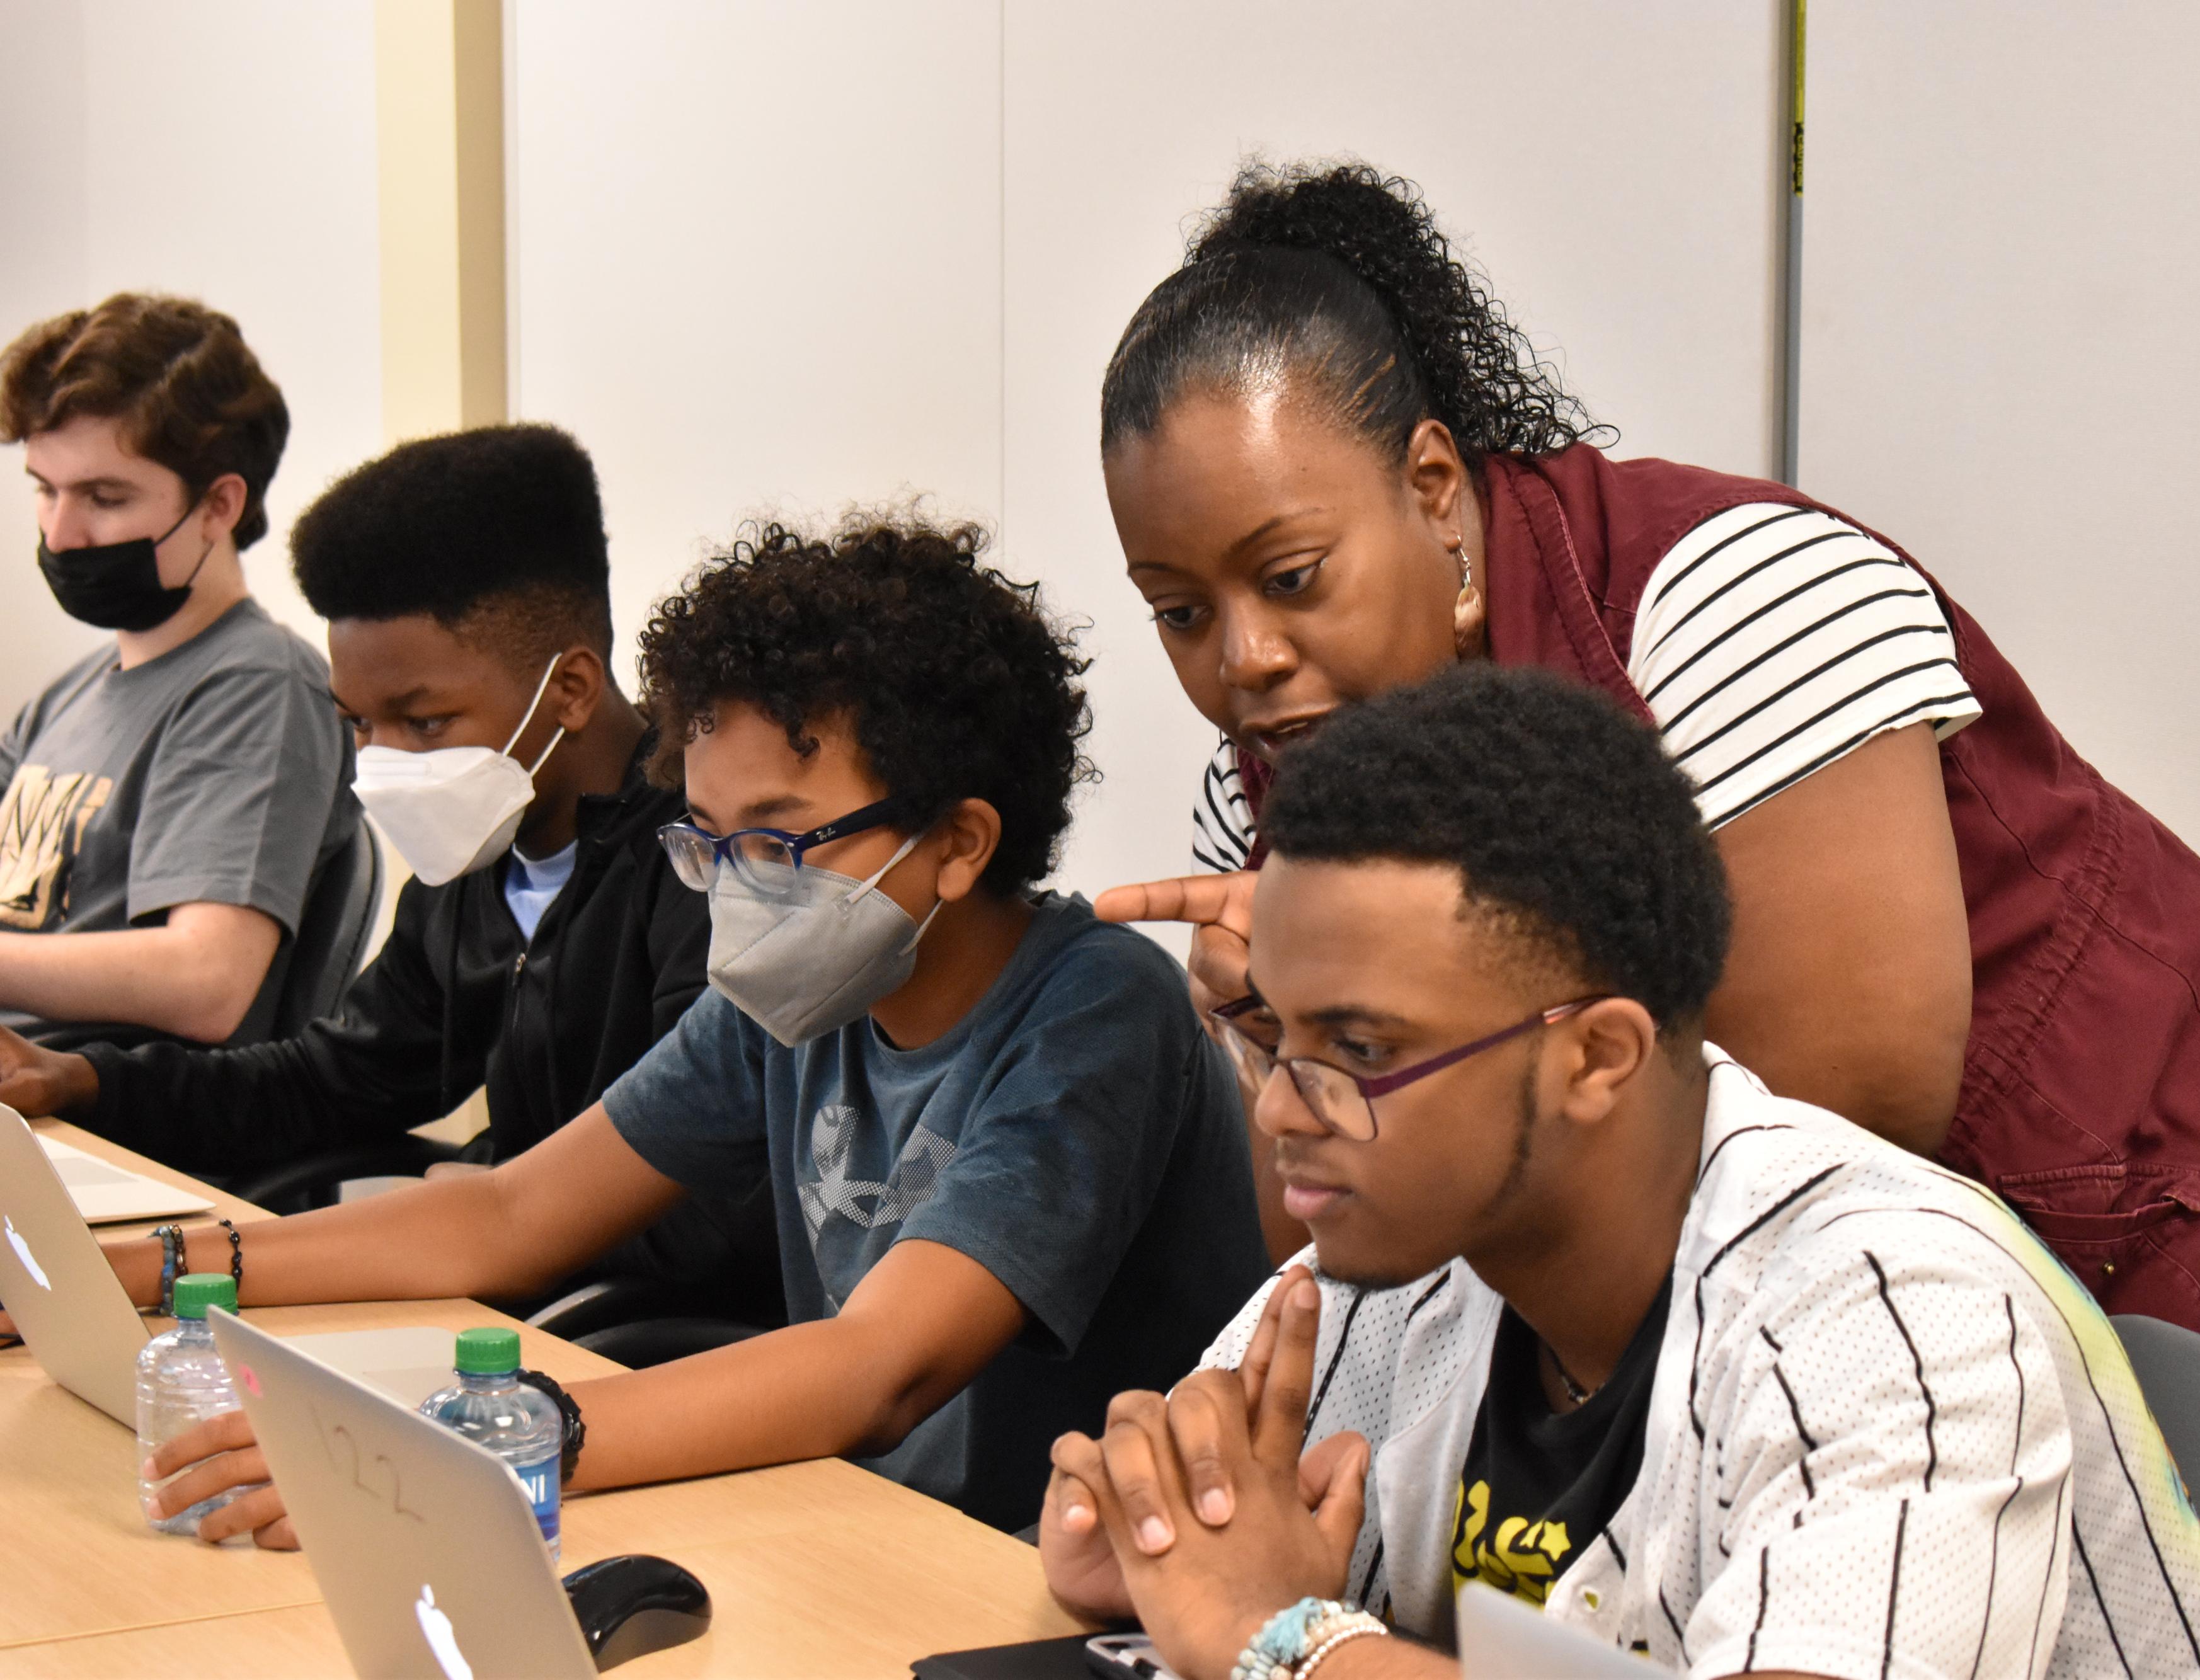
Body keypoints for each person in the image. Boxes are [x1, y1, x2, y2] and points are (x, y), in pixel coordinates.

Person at [1092, 160, 2200, 1379]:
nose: (1243, 660)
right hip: (1788, 1321)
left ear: (1434, 488)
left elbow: (1853, 1098)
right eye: (1179, 611)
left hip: (2135, 1209)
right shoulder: (1261, 799)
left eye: (1286, 577)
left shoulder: (1728, 598)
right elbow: (1330, 1229)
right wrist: (1283, 1037)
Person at [1042, 665, 2200, 1679]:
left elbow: (1262, 1619)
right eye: (1273, 1038)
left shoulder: (1893, 1306)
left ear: (1594, 1055)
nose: (1283, 1111)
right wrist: (1156, 1537)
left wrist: (1284, 1639)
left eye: (1359, 1050)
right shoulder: (1398, 1260)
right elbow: (1206, 1543)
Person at [77, 513, 1268, 1546]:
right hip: (848, 1522)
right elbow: (511, 1212)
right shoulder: (799, 995)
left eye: (779, 839)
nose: (739, 890)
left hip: (1056, 1574)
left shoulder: (1096, 1009)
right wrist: (147, 1269)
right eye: (708, 841)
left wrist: (474, 1438)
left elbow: (881, 1367)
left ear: (958, 843)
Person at [0, 423, 774, 1311]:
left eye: (426, 721)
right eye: (361, 724)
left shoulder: (708, 870)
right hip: (488, 1287)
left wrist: (439, 1227)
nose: (387, 762)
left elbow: (704, 1219)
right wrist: (80, 1077)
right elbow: (329, 1081)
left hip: (621, 1337)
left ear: (570, 689)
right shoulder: (479, 861)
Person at [0, 292, 359, 1049]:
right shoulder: (64, 702)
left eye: (104, 497)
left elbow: (206, 981)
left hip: (89, 1134)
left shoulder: (258, 685)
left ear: (218, 505)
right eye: (45, 489)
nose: (61, 534)